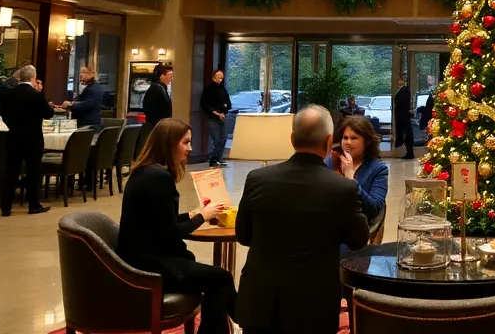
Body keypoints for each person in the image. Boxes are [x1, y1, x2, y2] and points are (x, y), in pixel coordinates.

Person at [235, 105, 370, 334]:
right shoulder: (343, 188)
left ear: (292, 139)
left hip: (260, 300)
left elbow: (243, 235)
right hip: (313, 304)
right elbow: (358, 241)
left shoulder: (257, 178)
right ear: (329, 142)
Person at [117, 119, 234, 334]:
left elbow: (158, 221)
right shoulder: (159, 177)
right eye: (185, 142)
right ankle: (248, 320)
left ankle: (247, 320)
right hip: (150, 264)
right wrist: (202, 217)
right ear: (169, 144)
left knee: (218, 279)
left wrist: (191, 214)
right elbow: (169, 233)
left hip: (138, 257)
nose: (190, 148)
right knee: (222, 279)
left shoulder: (144, 171)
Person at [0, 64, 55, 216]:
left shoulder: (9, 94)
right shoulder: (35, 95)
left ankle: (6, 207)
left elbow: (4, 114)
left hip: (14, 137)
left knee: (11, 171)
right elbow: (48, 114)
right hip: (33, 138)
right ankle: (34, 205)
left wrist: (13, 126)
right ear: (32, 78)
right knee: (33, 172)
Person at [328, 115, 389, 221]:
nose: (348, 142)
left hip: (358, 226)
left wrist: (351, 180)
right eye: (345, 138)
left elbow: (374, 209)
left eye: (354, 138)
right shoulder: (331, 161)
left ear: (367, 142)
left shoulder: (378, 169)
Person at [200, 69, 232, 168]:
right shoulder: (209, 89)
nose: (220, 78)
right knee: (217, 140)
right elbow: (204, 103)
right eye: (218, 76)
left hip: (223, 116)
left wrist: (224, 110)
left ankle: (218, 158)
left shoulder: (223, 88)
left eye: (222, 76)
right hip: (213, 118)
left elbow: (228, 102)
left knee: (223, 139)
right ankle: (213, 160)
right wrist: (216, 113)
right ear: (214, 77)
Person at [393, 76, 414, 159]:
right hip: (401, 115)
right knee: (404, 132)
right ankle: (407, 151)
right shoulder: (401, 90)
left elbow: (401, 101)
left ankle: (409, 151)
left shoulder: (405, 90)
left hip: (403, 115)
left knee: (406, 132)